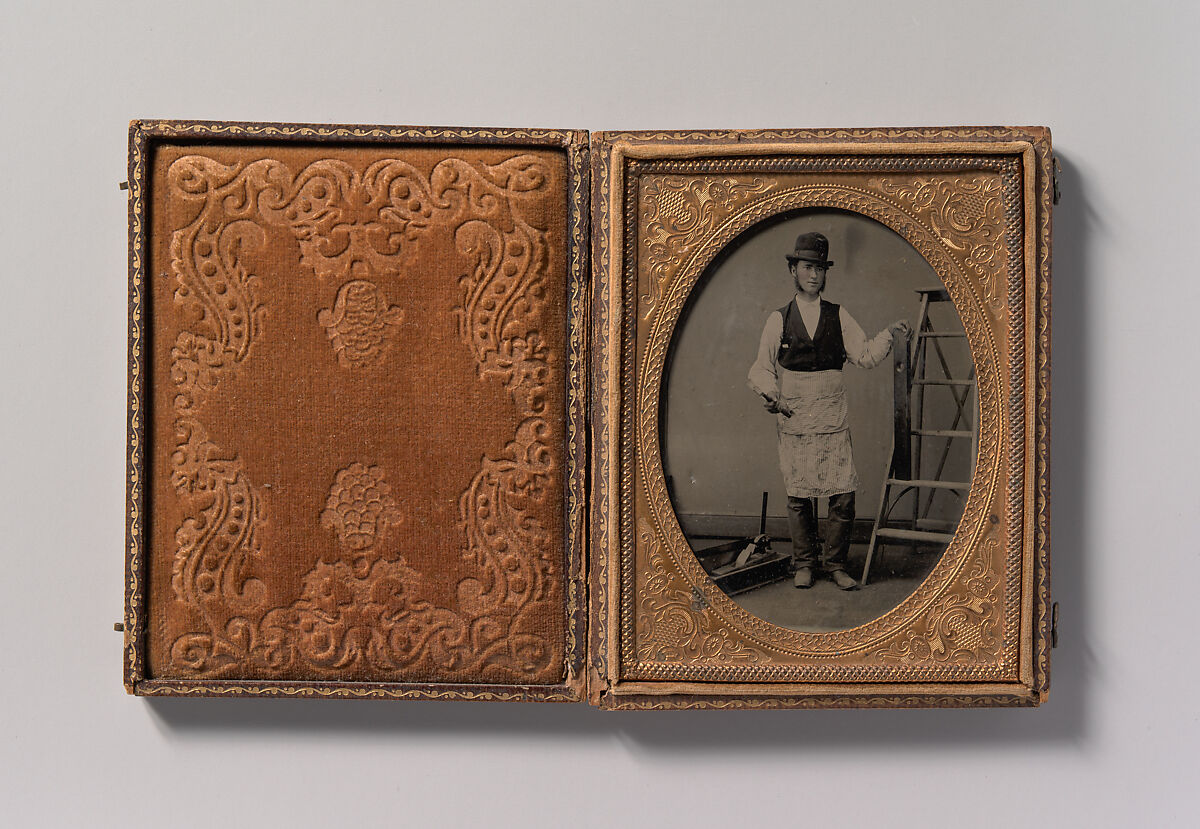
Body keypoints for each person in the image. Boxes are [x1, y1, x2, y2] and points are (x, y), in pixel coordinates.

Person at [747, 232, 910, 590]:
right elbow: (761, 367)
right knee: (799, 495)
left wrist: (888, 334)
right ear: (793, 269)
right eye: (807, 267)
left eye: (820, 268)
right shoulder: (779, 318)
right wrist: (772, 394)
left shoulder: (839, 315)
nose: (814, 274)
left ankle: (836, 565)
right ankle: (804, 563)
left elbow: (864, 355)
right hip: (795, 416)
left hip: (832, 416)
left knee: (843, 495)